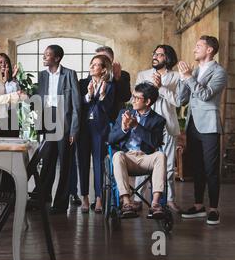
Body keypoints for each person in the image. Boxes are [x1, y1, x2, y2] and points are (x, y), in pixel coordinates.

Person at [178, 35, 227, 225]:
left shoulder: (219, 72)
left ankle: (214, 209)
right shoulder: (195, 70)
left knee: (211, 169)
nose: (194, 49)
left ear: (209, 50)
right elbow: (182, 99)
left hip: (209, 126)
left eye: (198, 46)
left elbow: (205, 95)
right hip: (192, 125)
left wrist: (189, 78)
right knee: (196, 168)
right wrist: (184, 79)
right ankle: (199, 206)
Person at [134, 45, 182, 213]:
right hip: (145, 127)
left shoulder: (177, 77)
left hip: (167, 126)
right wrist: (152, 88)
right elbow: (138, 99)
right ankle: (137, 198)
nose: (155, 56)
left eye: (160, 54)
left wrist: (161, 87)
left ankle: (169, 200)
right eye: (154, 53)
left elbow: (178, 101)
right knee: (143, 162)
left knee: (168, 166)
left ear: (167, 58)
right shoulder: (143, 75)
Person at [109, 82, 167, 219]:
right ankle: (126, 202)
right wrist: (123, 128)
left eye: (137, 98)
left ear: (147, 102)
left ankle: (155, 203)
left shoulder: (158, 120)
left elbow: (156, 142)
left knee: (160, 155)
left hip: (146, 157)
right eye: (133, 96)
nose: (132, 100)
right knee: (117, 155)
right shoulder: (123, 113)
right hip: (127, 157)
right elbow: (111, 139)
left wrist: (136, 126)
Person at [36, 45, 81, 214]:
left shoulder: (69, 74)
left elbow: (76, 105)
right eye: (44, 54)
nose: (44, 57)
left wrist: (74, 130)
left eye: (47, 55)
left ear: (57, 58)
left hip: (65, 121)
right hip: (48, 118)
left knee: (65, 164)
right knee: (47, 160)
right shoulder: (42, 76)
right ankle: (42, 196)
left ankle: (61, 204)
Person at [76, 55, 115, 213]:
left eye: (96, 65)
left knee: (99, 163)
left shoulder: (111, 86)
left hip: (100, 129)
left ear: (104, 69)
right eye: (91, 64)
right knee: (83, 162)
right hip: (84, 128)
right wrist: (89, 95)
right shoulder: (83, 83)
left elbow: (108, 109)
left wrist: (103, 95)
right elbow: (79, 103)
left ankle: (99, 198)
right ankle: (84, 197)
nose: (92, 67)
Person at [95, 46, 131, 122]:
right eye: (97, 58)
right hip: (96, 118)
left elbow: (126, 97)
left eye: (103, 58)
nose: (99, 61)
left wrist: (117, 77)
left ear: (111, 60)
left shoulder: (123, 75)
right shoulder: (92, 75)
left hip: (116, 118)